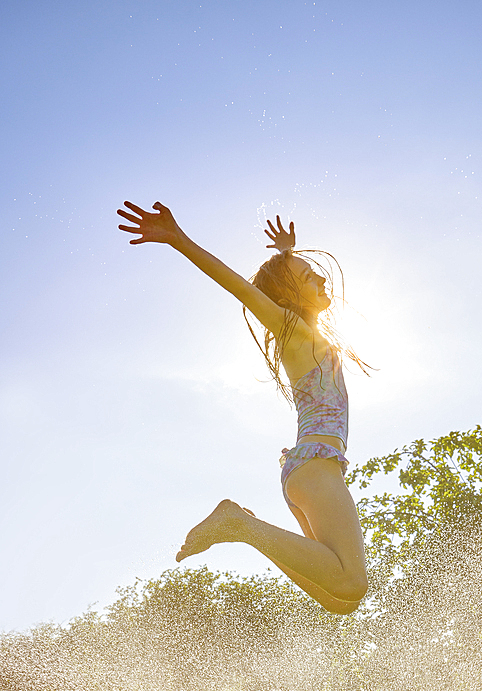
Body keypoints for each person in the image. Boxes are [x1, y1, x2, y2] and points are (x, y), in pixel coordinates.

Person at [117, 201, 368, 614]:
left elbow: (282, 285)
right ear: (288, 295)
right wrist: (179, 240)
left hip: (308, 470)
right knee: (351, 580)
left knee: (340, 601)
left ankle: (244, 524)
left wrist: (287, 255)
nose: (321, 277)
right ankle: (241, 526)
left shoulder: (311, 335)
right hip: (317, 464)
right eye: (308, 277)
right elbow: (241, 288)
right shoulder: (293, 331)